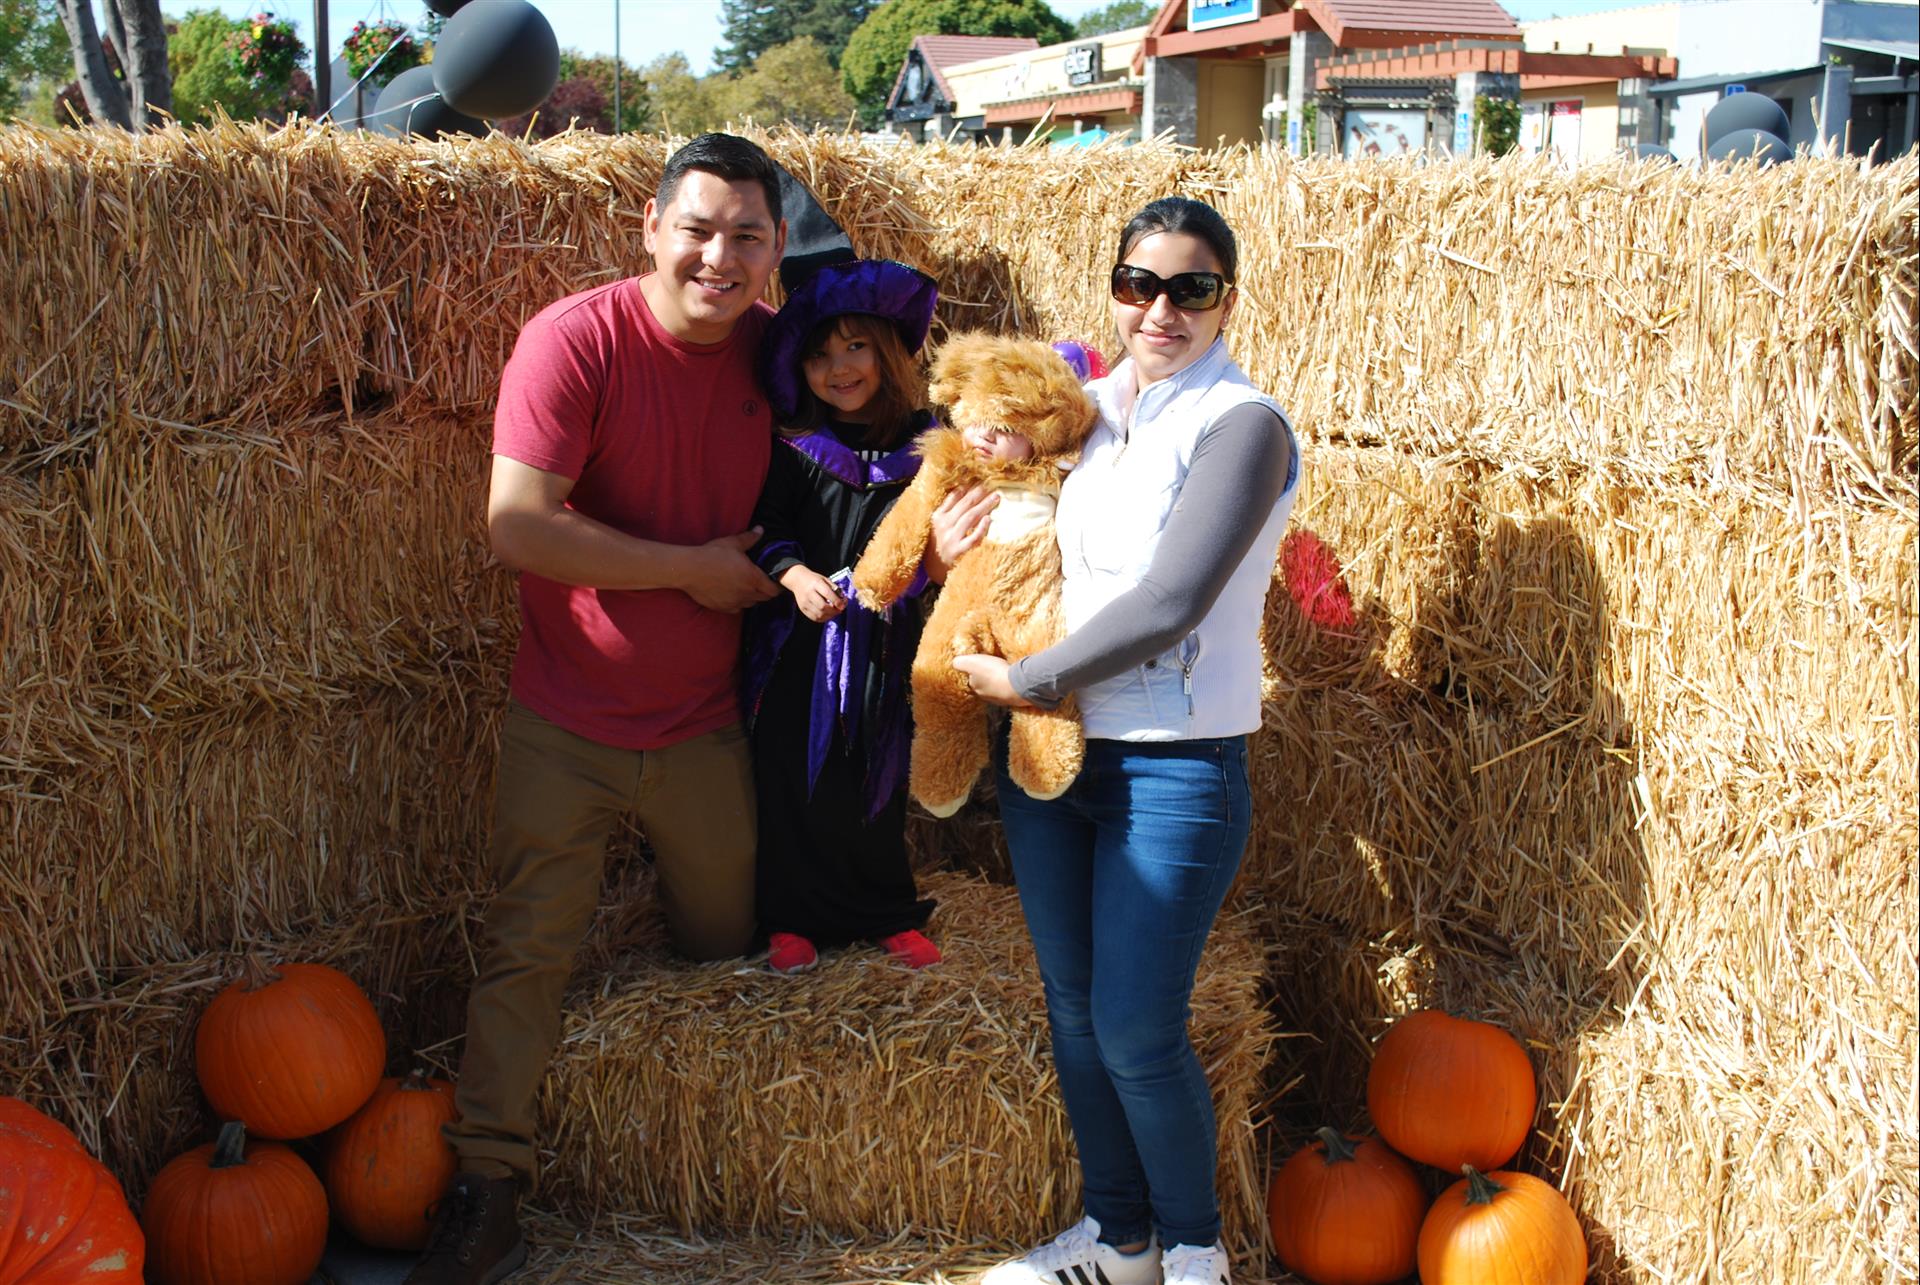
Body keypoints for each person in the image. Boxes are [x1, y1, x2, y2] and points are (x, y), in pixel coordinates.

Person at [404, 133, 788, 1285]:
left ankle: (712, 1168)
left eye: (748, 237)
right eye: (700, 227)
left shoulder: (783, 356)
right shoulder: (575, 341)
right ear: (651, 228)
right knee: (526, 952)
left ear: (776, 253)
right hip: (565, 720)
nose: (720, 256)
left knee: (725, 950)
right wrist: (687, 568)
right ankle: (488, 1189)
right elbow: (516, 526)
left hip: (711, 724)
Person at [956, 197, 1302, 1285]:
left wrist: (1027, 678)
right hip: (1052, 757)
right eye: (1136, 284)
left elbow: (1173, 599)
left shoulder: (1243, 424)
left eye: (1189, 288)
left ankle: (1197, 1255)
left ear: (1227, 302)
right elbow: (985, 487)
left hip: (1172, 763)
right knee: (1074, 1013)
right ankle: (1119, 1241)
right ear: (1111, 290)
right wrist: (954, 534)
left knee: (1138, 1028)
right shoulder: (1084, 410)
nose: (1159, 309)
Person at [740, 257, 945, 974]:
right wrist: (794, 577)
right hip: (802, 641)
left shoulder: (930, 445)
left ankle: (884, 910)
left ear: (888, 350)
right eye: (822, 354)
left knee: (876, 774)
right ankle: (790, 919)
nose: (839, 367)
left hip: (888, 642)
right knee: (794, 779)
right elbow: (767, 529)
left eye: (856, 346)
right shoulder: (795, 448)